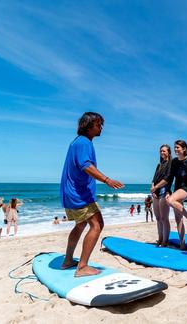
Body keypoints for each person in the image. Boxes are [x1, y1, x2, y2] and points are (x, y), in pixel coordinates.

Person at [60, 112, 124, 277]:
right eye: (98, 124)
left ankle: (68, 260)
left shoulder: (77, 142)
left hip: (70, 192)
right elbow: (85, 165)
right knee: (97, 224)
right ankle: (82, 267)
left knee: (81, 225)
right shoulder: (84, 143)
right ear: (88, 126)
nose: (101, 127)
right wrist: (107, 180)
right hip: (79, 193)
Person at [166, 140, 187, 249]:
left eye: (178, 147)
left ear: (184, 149)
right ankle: (182, 244)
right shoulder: (174, 161)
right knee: (178, 219)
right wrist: (167, 191)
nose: (175, 149)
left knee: (170, 201)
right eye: (175, 147)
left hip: (186, 189)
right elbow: (170, 178)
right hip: (177, 189)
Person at [150, 144, 173, 246]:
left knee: (164, 218)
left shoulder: (170, 163)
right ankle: (160, 238)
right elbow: (154, 179)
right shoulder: (159, 165)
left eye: (164, 151)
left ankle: (165, 241)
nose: (162, 153)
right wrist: (153, 189)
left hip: (164, 190)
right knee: (158, 218)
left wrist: (156, 187)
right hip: (156, 191)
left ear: (168, 152)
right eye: (161, 151)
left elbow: (167, 179)